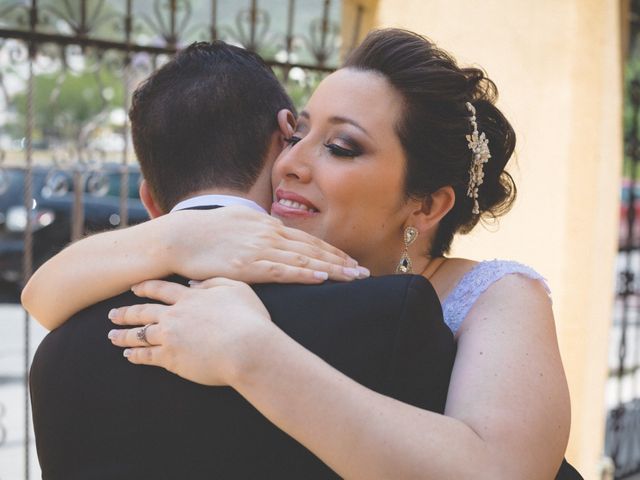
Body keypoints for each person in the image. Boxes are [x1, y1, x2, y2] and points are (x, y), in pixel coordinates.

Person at [24, 29, 581, 478]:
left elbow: (502, 471)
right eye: (298, 135)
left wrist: (250, 353)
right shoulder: (260, 251)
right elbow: (44, 297)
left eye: (341, 147)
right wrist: (180, 237)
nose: (291, 163)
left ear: (427, 204)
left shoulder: (496, 295)